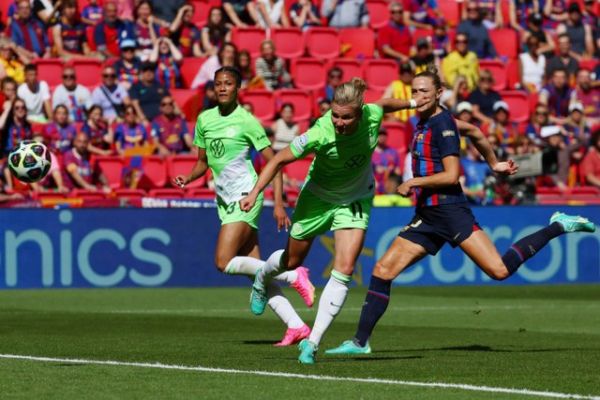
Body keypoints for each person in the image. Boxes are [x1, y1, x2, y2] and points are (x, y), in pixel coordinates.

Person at [325, 67, 595, 358]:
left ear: (440, 93)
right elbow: (475, 131)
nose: (419, 96)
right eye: (415, 91)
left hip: (451, 210)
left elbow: (452, 175)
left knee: (499, 270)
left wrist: (413, 181)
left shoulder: (443, 126)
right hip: (428, 215)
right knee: (382, 270)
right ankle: (360, 341)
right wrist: (494, 163)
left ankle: (558, 225)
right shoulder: (426, 118)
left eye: (425, 91)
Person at [239, 77, 422, 364]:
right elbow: (277, 160)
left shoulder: (371, 114)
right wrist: (254, 193)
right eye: (335, 115)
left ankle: (312, 344)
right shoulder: (319, 132)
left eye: (346, 117)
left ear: (359, 113)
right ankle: (262, 278)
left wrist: (413, 103)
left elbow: (385, 105)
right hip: (317, 200)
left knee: (345, 268)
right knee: (292, 261)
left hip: (355, 199)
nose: (338, 122)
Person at [173, 66, 315, 347]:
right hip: (225, 201)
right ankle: (296, 326)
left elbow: (275, 163)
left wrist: (277, 204)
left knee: (223, 262)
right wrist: (188, 177)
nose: (222, 88)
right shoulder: (204, 120)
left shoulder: (248, 122)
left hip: (246, 195)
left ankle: (292, 273)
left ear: (238, 88)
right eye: (218, 84)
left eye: (228, 83)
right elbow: (203, 162)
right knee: (259, 275)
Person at [372, 126, 402, 195]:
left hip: (390, 189)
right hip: (374, 188)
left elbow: (398, 170)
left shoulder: (393, 152)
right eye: (379, 134)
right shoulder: (370, 153)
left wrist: (391, 170)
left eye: (384, 134)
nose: (382, 136)